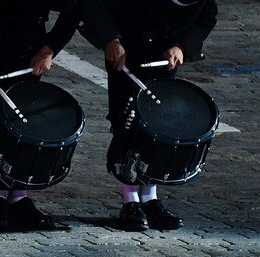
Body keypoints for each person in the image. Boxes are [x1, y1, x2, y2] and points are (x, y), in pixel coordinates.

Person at [80, 0, 217, 231]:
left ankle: (150, 197)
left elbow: (206, 16)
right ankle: (130, 200)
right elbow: (95, 5)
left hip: (163, 52)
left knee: (160, 125)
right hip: (127, 48)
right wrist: (110, 39)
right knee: (127, 122)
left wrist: (182, 46)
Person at [0, 0, 82, 230]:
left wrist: (49, 48)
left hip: (30, 42)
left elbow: (74, 8)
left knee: (24, 115)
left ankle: (18, 195)